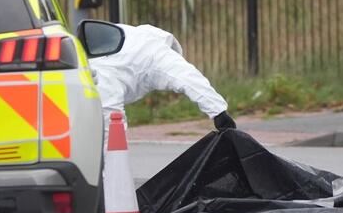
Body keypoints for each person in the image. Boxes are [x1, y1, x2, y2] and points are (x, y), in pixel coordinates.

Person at [89, 22, 236, 132]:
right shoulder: (159, 56)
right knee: (112, 132)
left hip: (85, 64)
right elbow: (189, 79)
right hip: (103, 80)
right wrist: (219, 114)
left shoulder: (133, 32)